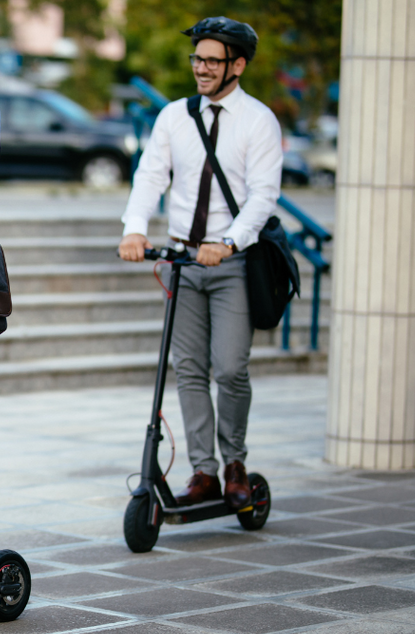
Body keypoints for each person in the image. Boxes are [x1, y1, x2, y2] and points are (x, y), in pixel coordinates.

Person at [117, 17, 282, 510]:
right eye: (198, 59)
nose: (202, 68)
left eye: (212, 60)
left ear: (238, 65)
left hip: (231, 263)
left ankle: (235, 463)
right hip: (182, 262)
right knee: (188, 368)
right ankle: (203, 472)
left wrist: (229, 242)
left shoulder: (258, 120)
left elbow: (263, 196)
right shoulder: (174, 116)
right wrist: (135, 227)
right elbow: (151, 176)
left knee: (230, 369)